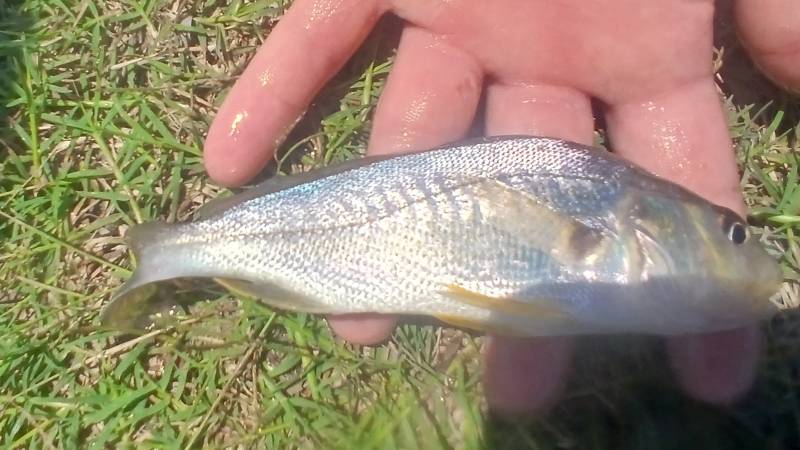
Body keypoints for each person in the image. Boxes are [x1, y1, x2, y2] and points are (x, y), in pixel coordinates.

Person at [203, 0, 800, 415]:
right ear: (649, 221)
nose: (740, 243)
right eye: (732, 233)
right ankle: (185, 247)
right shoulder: (615, 205)